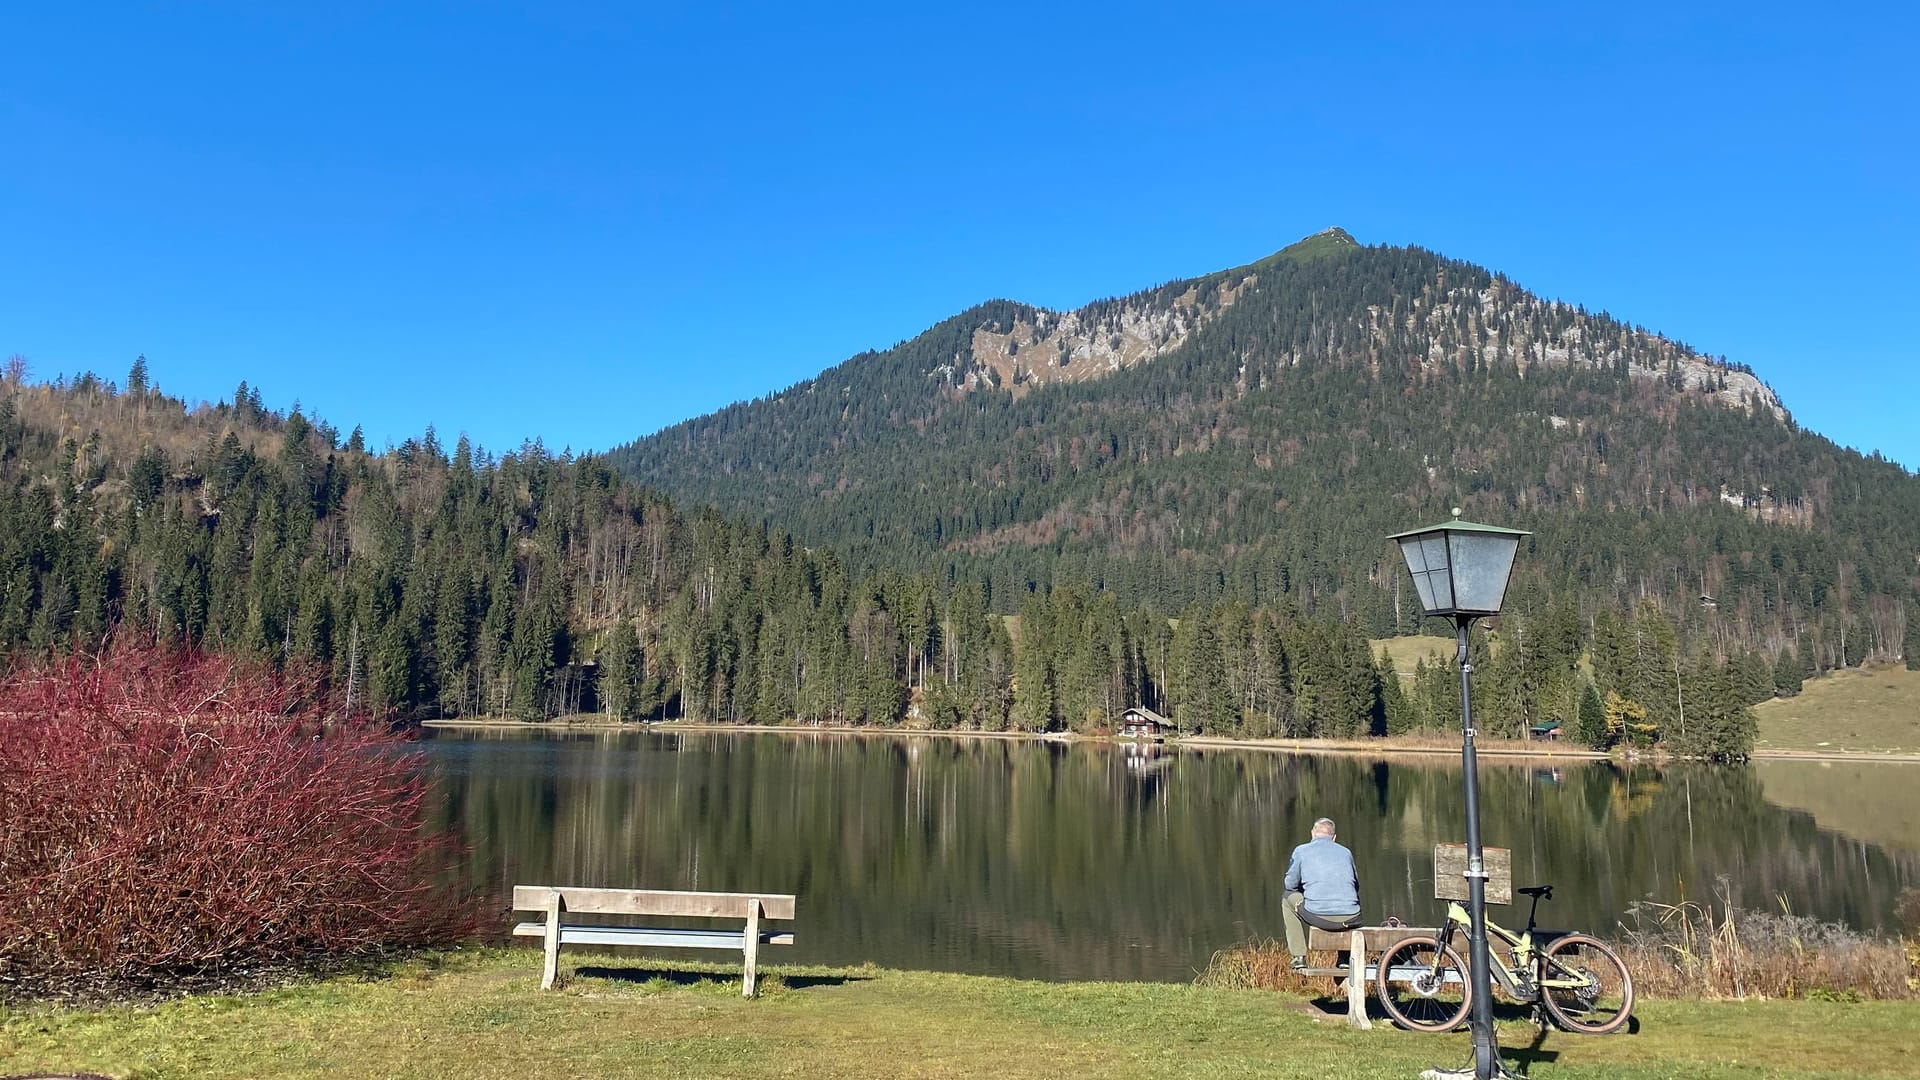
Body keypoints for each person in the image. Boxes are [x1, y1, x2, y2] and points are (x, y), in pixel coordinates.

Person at [1282, 817, 1361, 971]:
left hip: (1320, 918)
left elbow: (1289, 885)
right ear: (1334, 838)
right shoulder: (1346, 853)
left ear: (1313, 833)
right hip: (1351, 918)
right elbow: (1356, 886)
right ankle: (1344, 957)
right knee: (1350, 898)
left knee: (1287, 898)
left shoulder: (1301, 851)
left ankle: (1299, 957)